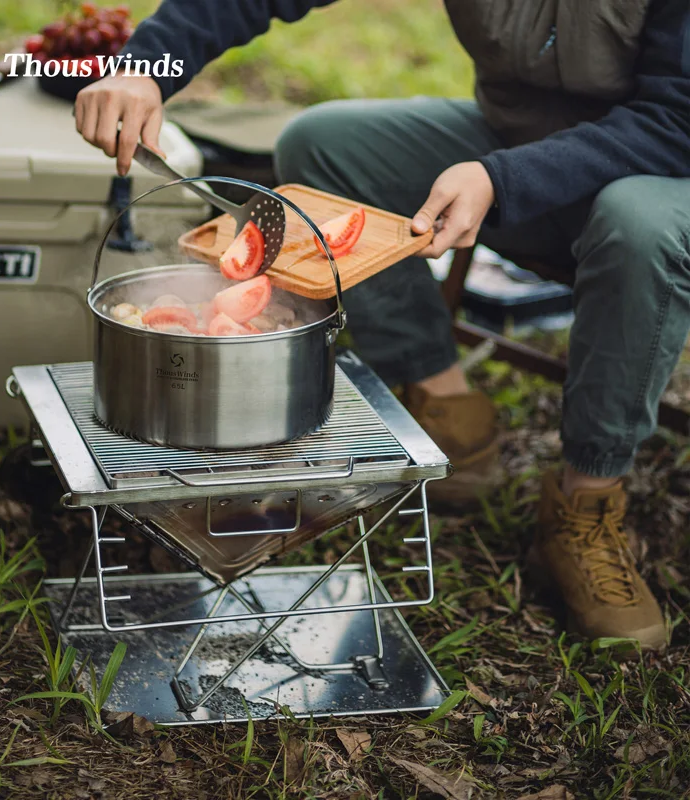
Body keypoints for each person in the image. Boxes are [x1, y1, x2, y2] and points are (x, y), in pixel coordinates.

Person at [75, 0, 690, 650]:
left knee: (635, 226)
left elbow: (678, 121)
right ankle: (450, 407)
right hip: (518, 145)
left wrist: (501, 179)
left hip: (660, 178)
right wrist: (143, 67)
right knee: (322, 145)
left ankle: (587, 503)